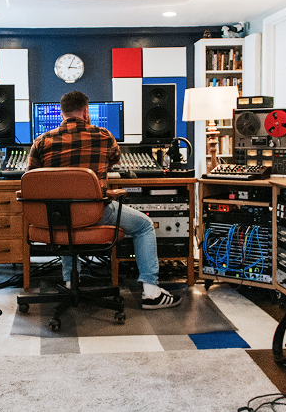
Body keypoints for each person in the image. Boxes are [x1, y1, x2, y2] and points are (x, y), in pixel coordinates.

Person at [27, 91, 181, 309]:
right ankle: (151, 292)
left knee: (66, 212)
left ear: (62, 114)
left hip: (55, 218)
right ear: (86, 112)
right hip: (95, 214)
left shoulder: (41, 141)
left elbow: (30, 178)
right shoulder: (104, 136)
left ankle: (71, 281)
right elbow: (114, 160)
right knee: (144, 225)